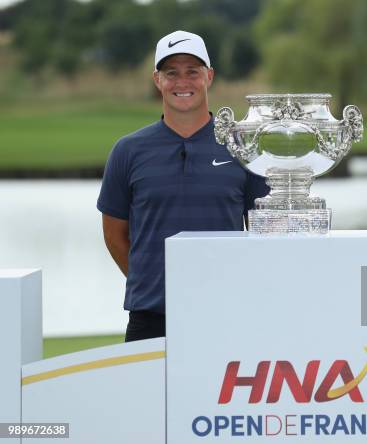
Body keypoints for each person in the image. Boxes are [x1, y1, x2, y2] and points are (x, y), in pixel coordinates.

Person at [97, 30, 269, 342]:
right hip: (150, 317)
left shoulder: (242, 146)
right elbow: (114, 234)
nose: (182, 82)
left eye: (193, 71)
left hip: (226, 313)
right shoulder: (128, 150)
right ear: (156, 80)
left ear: (210, 76)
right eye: (171, 73)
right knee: (146, 393)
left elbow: (263, 234)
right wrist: (154, 282)